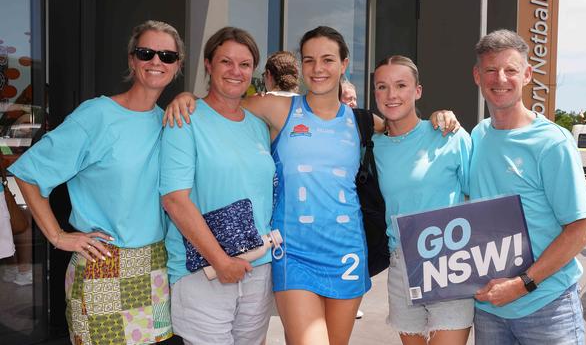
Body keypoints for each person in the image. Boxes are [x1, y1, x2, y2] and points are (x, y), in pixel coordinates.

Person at [163, 25, 459, 345]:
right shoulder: (276, 108)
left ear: (344, 65)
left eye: (328, 60)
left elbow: (403, 126)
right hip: (293, 253)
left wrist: (439, 117)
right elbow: (221, 104)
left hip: (347, 254)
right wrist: (186, 98)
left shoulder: (362, 121)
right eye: (309, 60)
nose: (318, 69)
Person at [8, 20, 183, 344]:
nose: (156, 61)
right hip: (102, 264)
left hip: (155, 268)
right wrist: (58, 236)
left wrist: (189, 98)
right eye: (146, 53)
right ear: (132, 60)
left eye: (167, 56)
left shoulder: (170, 121)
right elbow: (28, 172)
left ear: (177, 65)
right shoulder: (97, 115)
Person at [469, 29, 586, 344]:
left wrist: (522, 284)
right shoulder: (477, 136)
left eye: (511, 69)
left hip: (547, 308)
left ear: (526, 75)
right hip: (490, 309)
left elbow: (580, 232)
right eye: (491, 70)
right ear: (477, 76)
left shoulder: (552, 142)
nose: (500, 78)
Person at [160, 26, 276, 345]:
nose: (235, 71)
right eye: (226, 61)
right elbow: (174, 200)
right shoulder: (185, 118)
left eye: (245, 64)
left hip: (258, 266)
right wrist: (220, 261)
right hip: (204, 270)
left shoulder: (258, 127)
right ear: (208, 65)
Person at [371, 55, 473, 345]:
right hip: (401, 263)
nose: (391, 95)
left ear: (417, 91)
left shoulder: (448, 135)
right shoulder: (371, 146)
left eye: (401, 85)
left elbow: (479, 195)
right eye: (382, 87)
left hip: (450, 260)